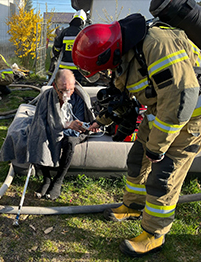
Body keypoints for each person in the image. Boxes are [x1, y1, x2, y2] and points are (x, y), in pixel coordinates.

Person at [73, 13, 201, 257]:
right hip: (160, 112)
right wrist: (99, 122)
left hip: (189, 118)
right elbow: (119, 95)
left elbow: (180, 101)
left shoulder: (157, 45)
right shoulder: (126, 52)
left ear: (108, 53)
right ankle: (134, 205)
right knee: (136, 160)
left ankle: (154, 234)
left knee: (163, 176)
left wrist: (157, 146)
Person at [27, 69, 94, 200]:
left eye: (69, 90)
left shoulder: (78, 99)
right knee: (39, 134)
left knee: (69, 141)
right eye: (61, 91)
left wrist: (78, 125)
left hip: (72, 133)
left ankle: (58, 180)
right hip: (52, 129)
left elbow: (79, 126)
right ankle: (46, 179)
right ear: (54, 86)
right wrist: (63, 125)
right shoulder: (47, 96)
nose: (66, 95)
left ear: (74, 85)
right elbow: (40, 120)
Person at [50, 9, 87, 83]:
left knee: (63, 87)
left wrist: (55, 57)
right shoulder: (83, 34)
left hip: (64, 68)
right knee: (76, 88)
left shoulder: (64, 32)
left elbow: (56, 48)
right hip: (78, 69)